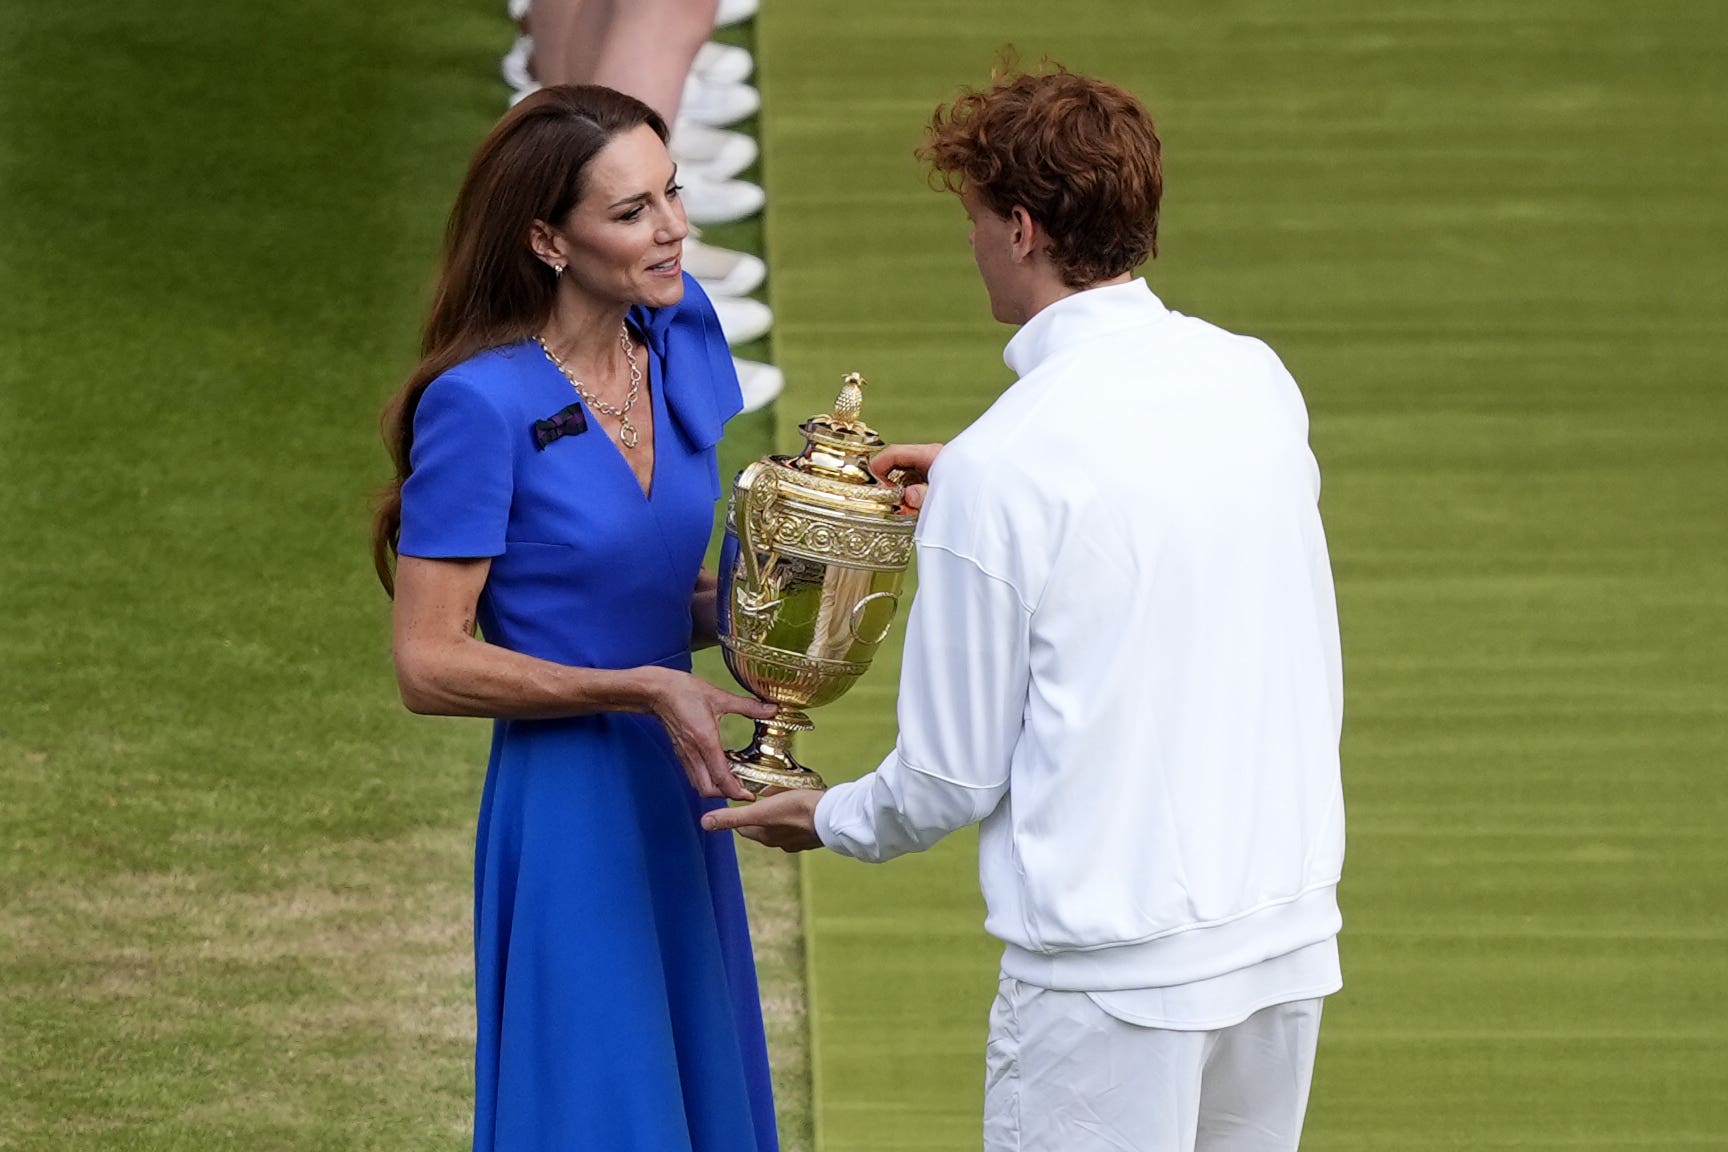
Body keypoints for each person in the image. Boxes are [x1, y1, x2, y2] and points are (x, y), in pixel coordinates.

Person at [704, 64, 1346, 1152]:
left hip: (1104, 992)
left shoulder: (1006, 471)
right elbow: (1165, 500)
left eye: (970, 220)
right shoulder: (1252, 379)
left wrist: (828, 816)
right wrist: (976, 477)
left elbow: (948, 779)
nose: (969, 245)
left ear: (1020, 227)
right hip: (1283, 952)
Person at [372, 84, 780, 1152]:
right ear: (549, 239)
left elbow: (663, 598)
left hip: (676, 791)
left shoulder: (683, 335)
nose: (674, 227)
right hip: (568, 808)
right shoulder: (480, 404)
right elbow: (427, 661)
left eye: (673, 193)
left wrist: (808, 581)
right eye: (632, 210)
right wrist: (639, 688)